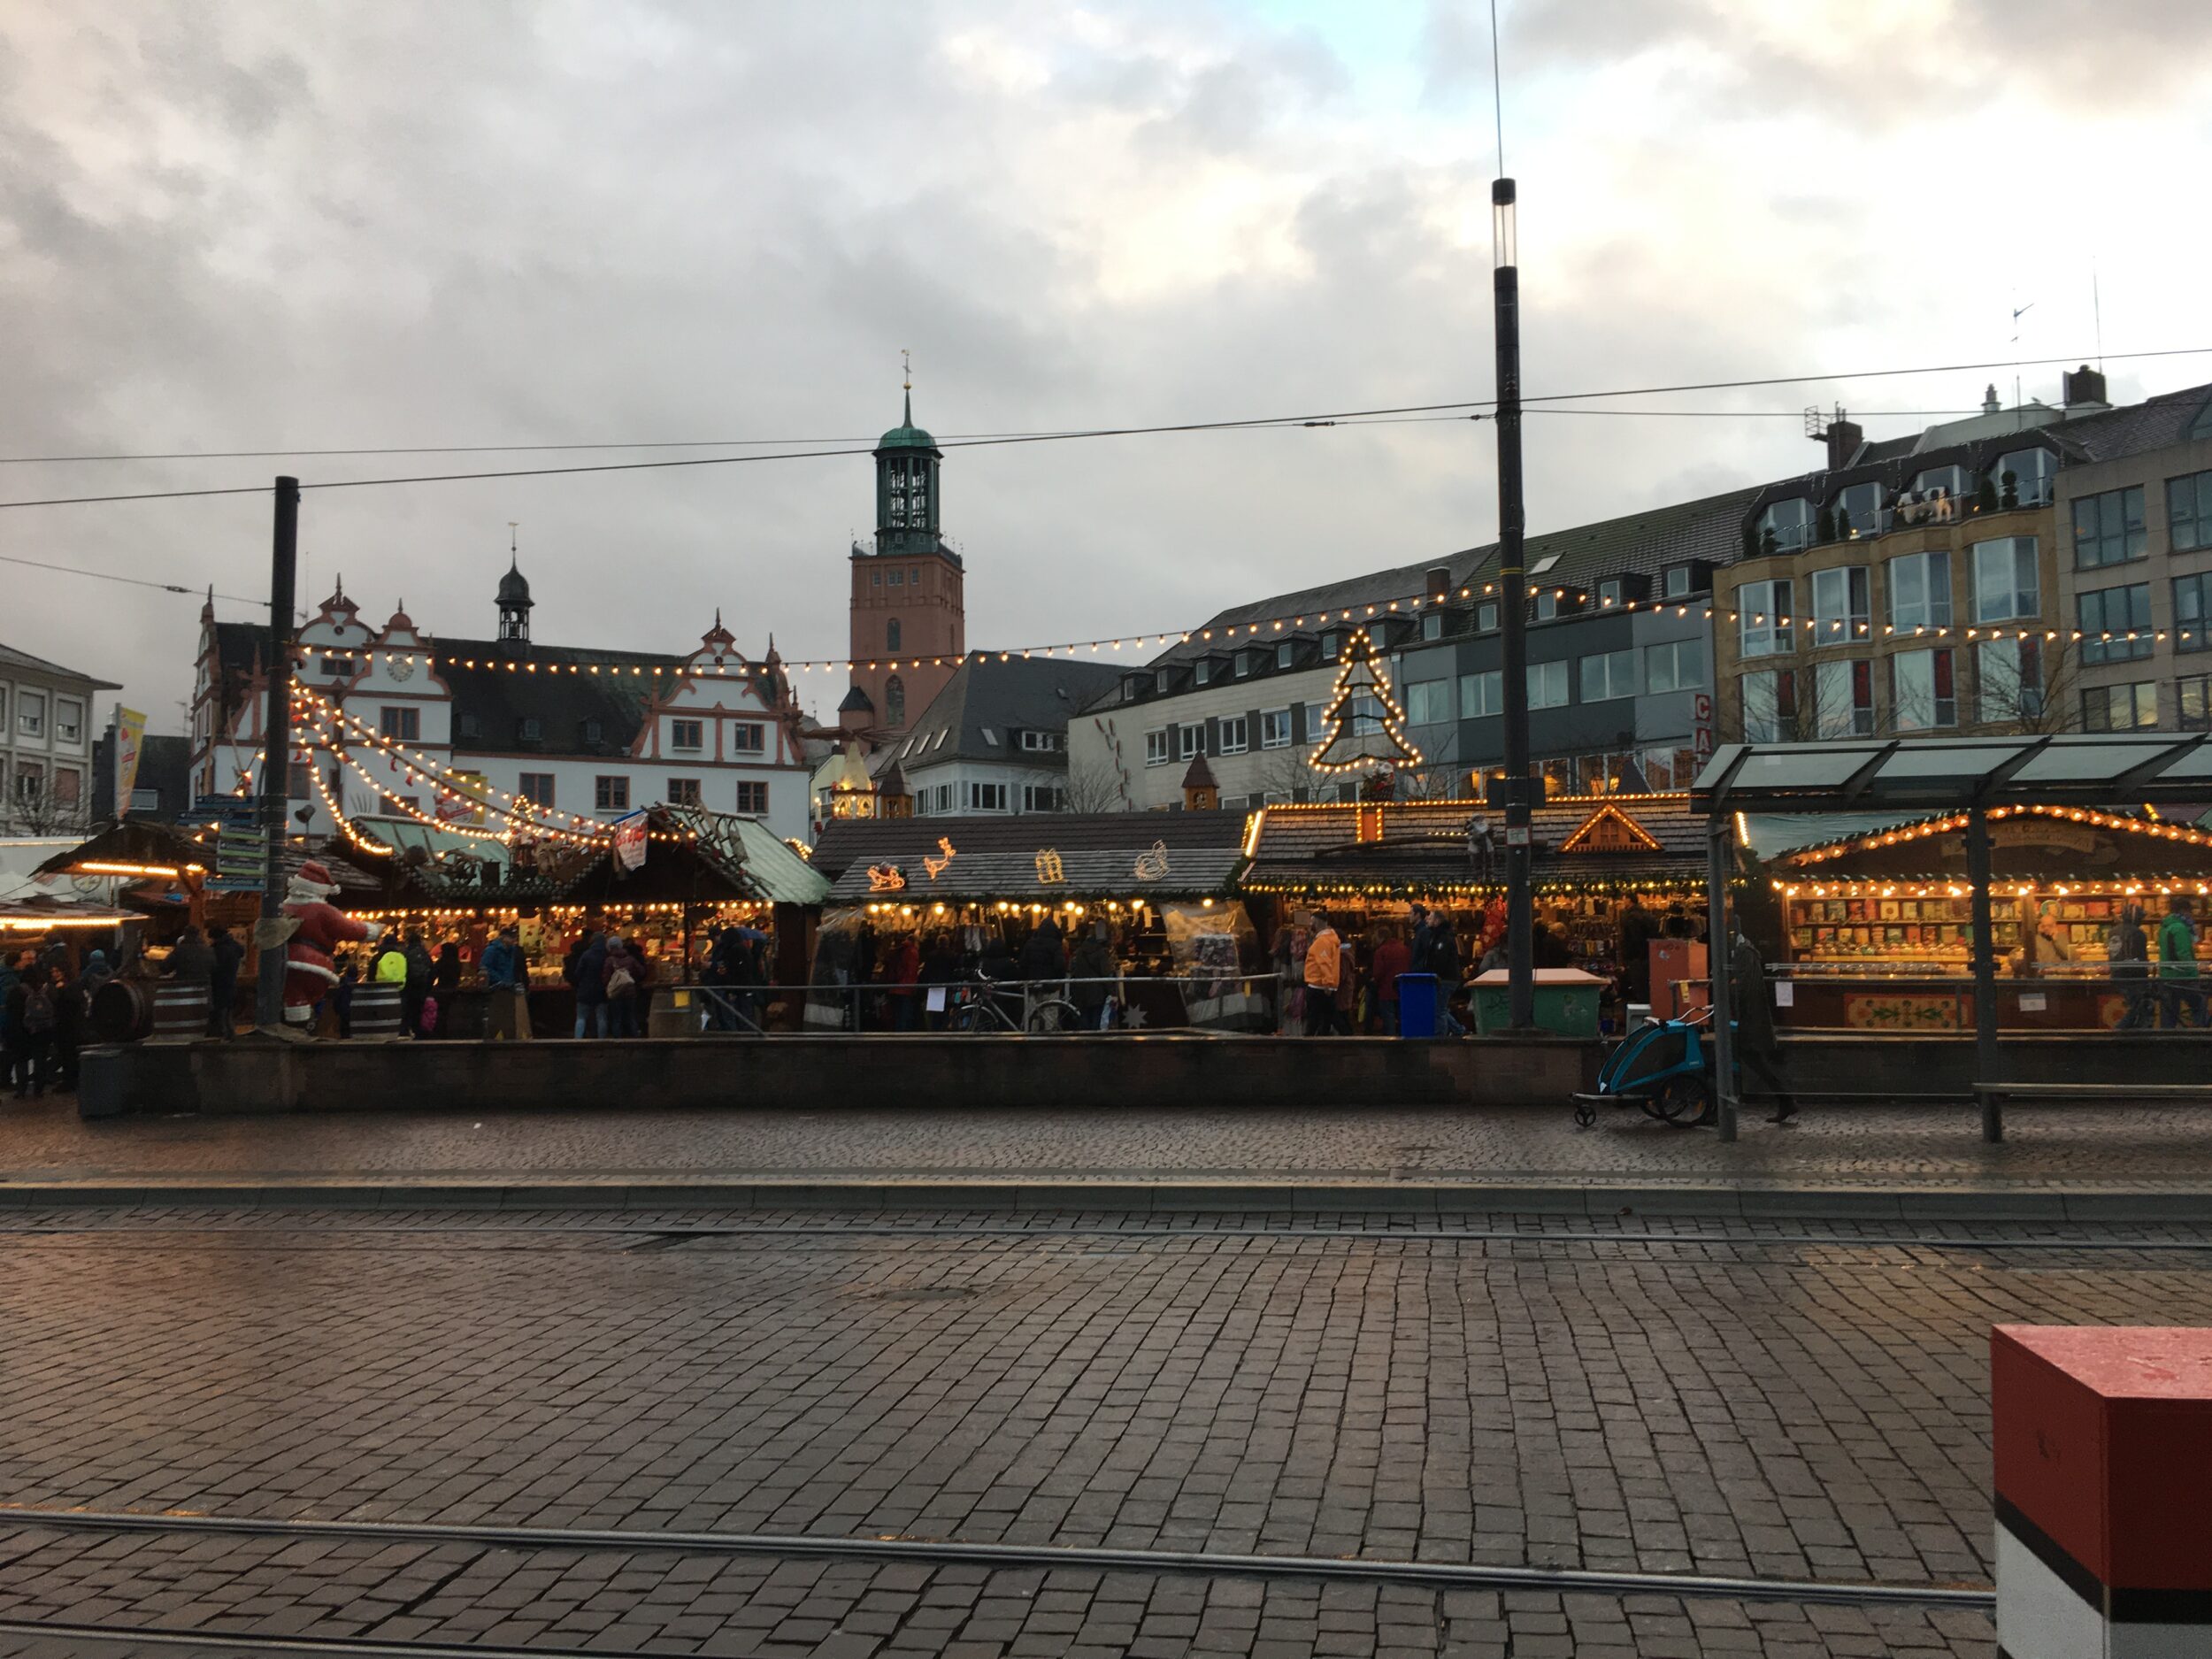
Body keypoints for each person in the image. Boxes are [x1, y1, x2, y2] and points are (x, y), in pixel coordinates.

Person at [1728, 918, 1798, 1124]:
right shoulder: (1745, 952)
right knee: (1754, 1061)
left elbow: (1743, 988)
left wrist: (1731, 990)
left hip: (1748, 1019)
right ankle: (1785, 1100)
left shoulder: (1744, 954)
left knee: (1753, 1060)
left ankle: (1785, 1099)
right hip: (1748, 1018)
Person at [2159, 895, 2208, 1030]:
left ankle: (2166, 1039)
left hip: (2167, 975)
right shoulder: (2180, 928)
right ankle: (2200, 1032)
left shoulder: (2165, 927)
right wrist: (2195, 970)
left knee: (2170, 1010)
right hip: (2182, 976)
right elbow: (2183, 953)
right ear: (2184, 911)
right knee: (2199, 1003)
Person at [479, 925, 531, 1041]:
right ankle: (495, 1036)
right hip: (496, 988)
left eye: (515, 937)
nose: (514, 940)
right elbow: (485, 967)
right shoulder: (492, 950)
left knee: (508, 1015)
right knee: (498, 1014)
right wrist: (500, 980)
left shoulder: (512, 951)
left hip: (509, 987)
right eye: (511, 937)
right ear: (503, 937)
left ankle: (507, 1037)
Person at [2107, 903, 2154, 1031]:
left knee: (2135, 1006)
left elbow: (2114, 954)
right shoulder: (2138, 933)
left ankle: (2123, 1030)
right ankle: (2121, 1030)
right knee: (2139, 1006)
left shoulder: (2112, 932)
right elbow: (2139, 958)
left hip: (2117, 975)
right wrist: (2146, 974)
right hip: (2133, 977)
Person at [1070, 920, 1116, 1031]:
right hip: (1097, 991)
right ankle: (1094, 1041)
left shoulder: (1080, 952)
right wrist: (1112, 993)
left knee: (1084, 1018)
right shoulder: (1100, 952)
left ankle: (1085, 1040)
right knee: (1096, 1019)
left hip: (1082, 990)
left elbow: (1074, 970)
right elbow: (1106, 973)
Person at [1302, 912, 1341, 1036]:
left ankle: (1308, 1042)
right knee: (1329, 1016)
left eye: (1311, 921)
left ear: (1317, 922)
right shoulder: (1331, 939)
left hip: (1318, 984)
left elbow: (1324, 963)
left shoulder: (1322, 942)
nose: (1310, 924)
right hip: (1325, 984)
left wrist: (1327, 983)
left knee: (1314, 1016)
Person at [1617, 896, 1659, 1008]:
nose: (1623, 901)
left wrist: (1629, 956)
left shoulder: (1632, 917)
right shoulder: (1647, 915)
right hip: (1648, 954)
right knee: (1645, 985)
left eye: (1624, 898)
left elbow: (1634, 938)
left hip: (1637, 957)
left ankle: (1642, 1011)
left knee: (1639, 985)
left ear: (1630, 900)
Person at [1369, 927, 1411, 1034]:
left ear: (1381, 937)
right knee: (1402, 1016)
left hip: (1386, 990)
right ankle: (1403, 1038)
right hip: (1402, 989)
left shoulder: (1381, 951)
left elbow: (1378, 972)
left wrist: (1374, 981)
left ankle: (1390, 1042)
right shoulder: (1404, 949)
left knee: (1389, 1019)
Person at [601, 935, 643, 1038]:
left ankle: (617, 1040)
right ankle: (635, 1038)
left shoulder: (609, 960)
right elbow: (641, 971)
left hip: (616, 992)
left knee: (616, 1018)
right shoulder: (631, 959)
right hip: (630, 991)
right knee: (631, 1016)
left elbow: (606, 978)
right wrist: (632, 978)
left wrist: (608, 985)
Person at [204, 925, 243, 1039]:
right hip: (231, 981)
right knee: (227, 1011)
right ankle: (230, 1033)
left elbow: (216, 967)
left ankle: (222, 1034)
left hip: (219, 983)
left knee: (220, 1010)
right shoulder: (235, 946)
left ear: (215, 937)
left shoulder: (219, 949)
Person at [571, 928, 609, 1038]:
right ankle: (602, 1039)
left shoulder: (587, 955)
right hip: (602, 990)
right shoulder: (607, 955)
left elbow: (578, 972)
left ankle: (578, 1039)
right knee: (601, 1017)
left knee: (581, 1017)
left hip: (585, 989)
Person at [885, 932, 922, 1032]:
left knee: (897, 1013)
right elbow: (911, 971)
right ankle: (904, 1034)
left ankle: (897, 1032)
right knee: (905, 1013)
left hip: (894, 986)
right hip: (906, 987)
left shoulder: (899, 950)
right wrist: (913, 985)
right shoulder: (912, 951)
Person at [401, 929, 434, 1038]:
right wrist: (428, 986)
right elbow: (432, 970)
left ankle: (408, 1032)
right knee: (419, 1011)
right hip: (422, 988)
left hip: (409, 987)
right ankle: (419, 1033)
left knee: (408, 1011)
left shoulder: (406, 953)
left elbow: (403, 970)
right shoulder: (424, 953)